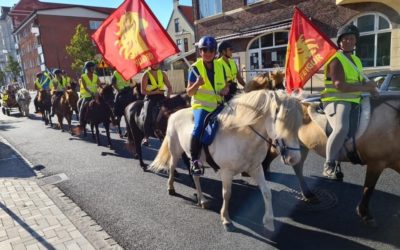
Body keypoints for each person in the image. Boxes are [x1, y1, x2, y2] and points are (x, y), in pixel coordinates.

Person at [321, 24, 379, 179]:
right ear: (340, 42)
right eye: (345, 39)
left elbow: (361, 82)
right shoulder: (335, 58)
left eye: (351, 38)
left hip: (356, 99)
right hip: (337, 99)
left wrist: (372, 90)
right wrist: (367, 88)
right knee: (341, 127)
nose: (348, 41)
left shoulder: (357, 61)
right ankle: (329, 164)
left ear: (356, 42)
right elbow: (340, 85)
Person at [187, 36, 229, 176]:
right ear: (200, 51)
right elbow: (189, 92)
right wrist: (196, 84)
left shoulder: (220, 66)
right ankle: (194, 161)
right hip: (202, 105)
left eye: (211, 50)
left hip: (218, 104)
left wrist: (225, 90)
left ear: (215, 51)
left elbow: (225, 85)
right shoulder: (195, 68)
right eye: (204, 49)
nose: (208, 52)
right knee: (199, 127)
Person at [140, 63, 172, 146]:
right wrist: (155, 92)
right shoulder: (146, 74)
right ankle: (146, 137)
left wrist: (168, 96)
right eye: (153, 63)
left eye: (157, 63)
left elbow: (169, 87)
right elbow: (143, 91)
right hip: (150, 97)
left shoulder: (163, 73)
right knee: (147, 114)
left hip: (161, 97)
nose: (155, 65)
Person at [78, 61, 101, 128]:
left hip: (95, 95)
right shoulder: (83, 76)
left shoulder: (96, 76)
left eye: (94, 67)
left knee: (105, 103)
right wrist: (91, 93)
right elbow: (84, 87)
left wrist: (103, 88)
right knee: (82, 108)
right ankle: (81, 122)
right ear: (88, 68)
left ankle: (110, 119)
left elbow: (99, 84)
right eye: (92, 67)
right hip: (86, 95)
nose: (94, 68)